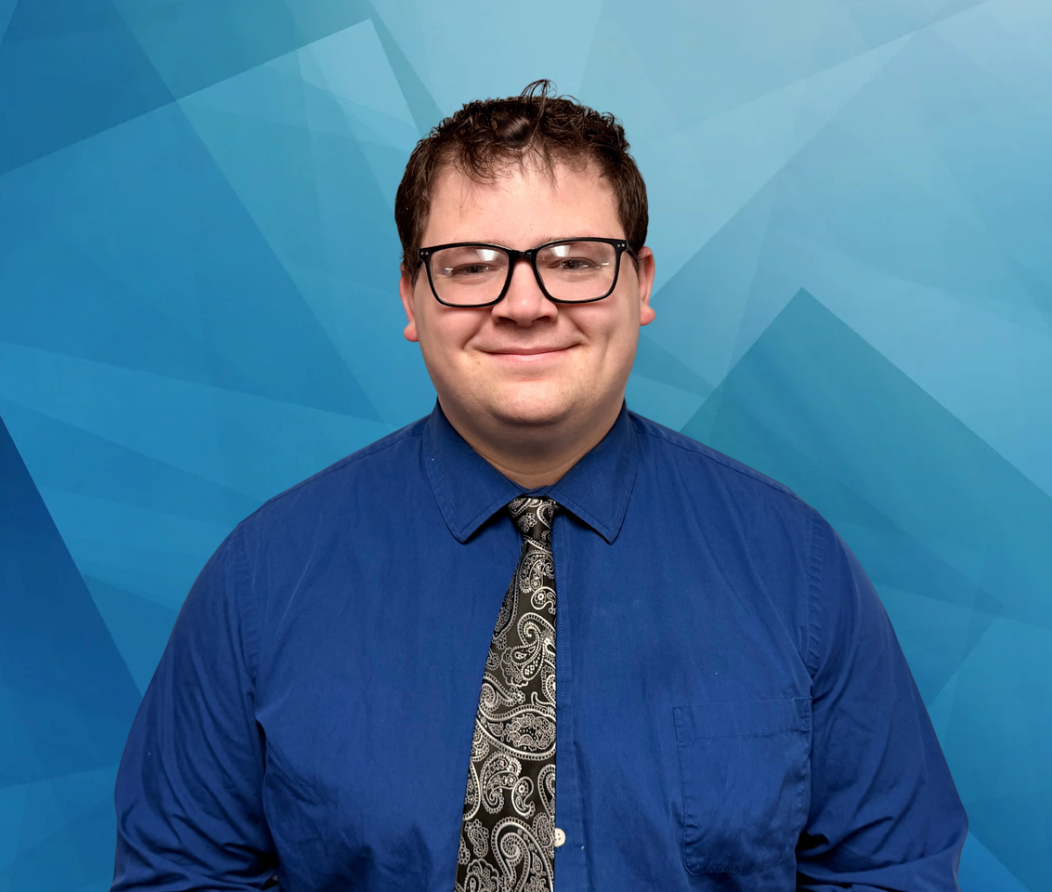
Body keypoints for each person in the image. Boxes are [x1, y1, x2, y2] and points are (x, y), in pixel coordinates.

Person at [111, 81, 967, 892]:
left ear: (640, 286)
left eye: (573, 259)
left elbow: (888, 871)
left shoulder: (797, 569)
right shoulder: (262, 582)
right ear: (412, 296)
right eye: (473, 264)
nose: (525, 303)